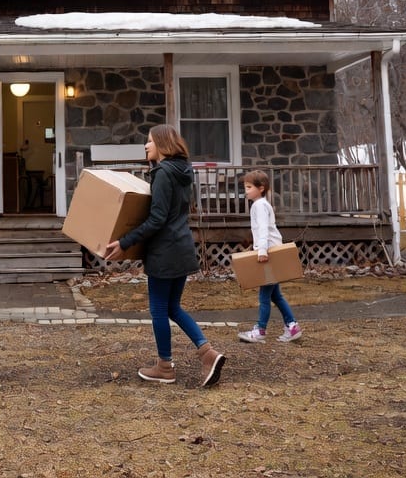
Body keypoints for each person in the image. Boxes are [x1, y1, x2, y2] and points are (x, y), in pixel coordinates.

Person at [104, 124, 225, 387]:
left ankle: (165, 367)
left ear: (162, 144)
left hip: (165, 251)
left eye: (149, 141)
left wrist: (125, 241)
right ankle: (207, 353)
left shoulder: (162, 173)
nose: (146, 146)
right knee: (173, 307)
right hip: (182, 247)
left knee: (159, 309)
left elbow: (157, 218)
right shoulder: (183, 171)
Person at [237, 169, 302, 344]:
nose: (247, 190)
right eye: (246, 187)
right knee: (275, 295)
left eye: (249, 187)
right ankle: (292, 326)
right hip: (271, 251)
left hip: (270, 254)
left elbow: (264, 229)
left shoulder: (259, 206)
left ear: (262, 188)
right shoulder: (261, 204)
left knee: (265, 296)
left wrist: (262, 251)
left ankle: (260, 330)